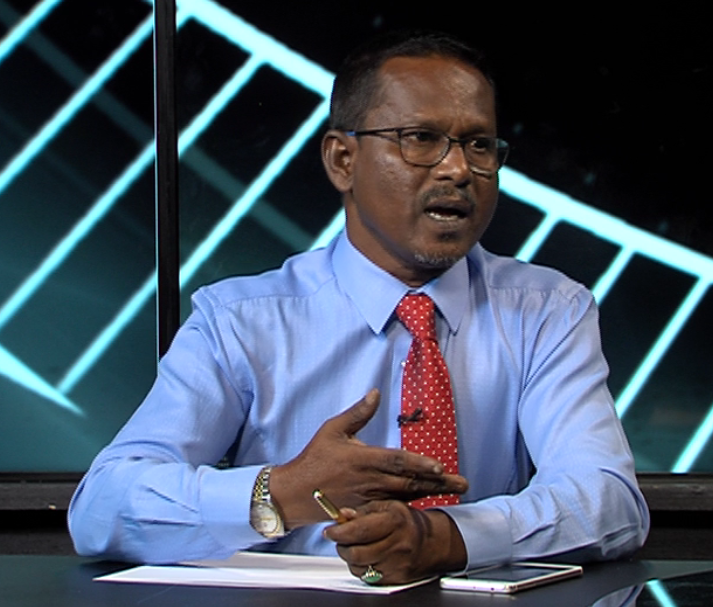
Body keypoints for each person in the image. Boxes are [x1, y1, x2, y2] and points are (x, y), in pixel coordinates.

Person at [68, 30, 649, 585]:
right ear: (343, 160)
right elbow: (101, 509)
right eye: (421, 138)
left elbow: (610, 502)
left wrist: (445, 537)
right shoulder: (241, 321)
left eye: (478, 145)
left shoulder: (547, 311)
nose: (457, 169)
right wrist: (284, 492)